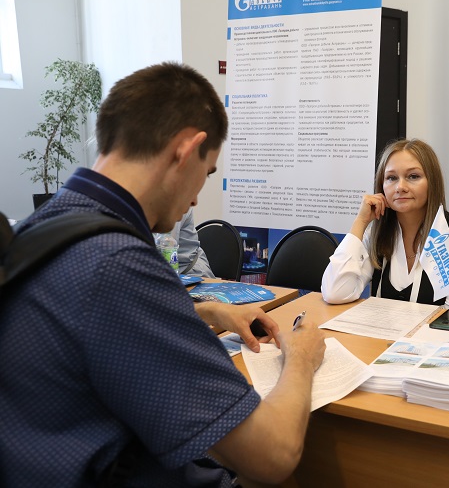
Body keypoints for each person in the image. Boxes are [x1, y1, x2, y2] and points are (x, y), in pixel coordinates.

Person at [0, 62, 326, 486]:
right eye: (207, 173)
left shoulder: (43, 225)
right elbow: (273, 454)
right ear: (187, 150)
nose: (196, 199)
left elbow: (84, 322)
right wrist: (301, 357)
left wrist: (204, 311)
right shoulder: (119, 263)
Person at [322, 138, 449, 309]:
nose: (400, 187)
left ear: (432, 182)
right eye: (391, 178)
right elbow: (335, 293)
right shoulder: (377, 234)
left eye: (413, 176)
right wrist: (360, 222)